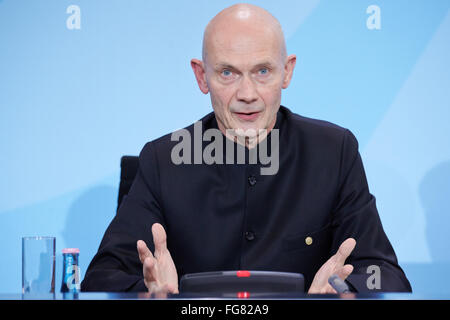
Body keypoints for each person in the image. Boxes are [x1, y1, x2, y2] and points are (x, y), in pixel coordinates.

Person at [81, 3, 411, 294]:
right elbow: (99, 279)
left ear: (287, 71)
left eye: (262, 71)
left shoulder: (335, 152)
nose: (247, 93)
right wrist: (157, 293)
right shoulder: (162, 160)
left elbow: (387, 277)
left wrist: (342, 288)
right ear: (201, 76)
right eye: (228, 73)